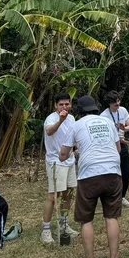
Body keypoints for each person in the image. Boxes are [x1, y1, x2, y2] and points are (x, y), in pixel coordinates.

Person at [62, 95, 122, 258]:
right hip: (113, 171)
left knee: (86, 219)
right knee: (111, 216)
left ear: (79, 111)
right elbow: (118, 148)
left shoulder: (76, 125)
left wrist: (72, 152)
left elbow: (64, 154)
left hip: (89, 174)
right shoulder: (107, 122)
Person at [40, 94, 80, 244]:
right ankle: (46, 230)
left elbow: (73, 137)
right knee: (53, 196)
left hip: (69, 161)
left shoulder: (72, 119)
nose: (65, 107)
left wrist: (74, 149)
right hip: (55, 162)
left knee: (68, 193)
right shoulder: (51, 119)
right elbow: (49, 131)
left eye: (67, 104)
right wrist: (60, 121)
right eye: (61, 105)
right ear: (55, 106)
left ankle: (64, 225)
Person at [100, 91, 129, 207]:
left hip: (123, 144)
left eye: (119, 101)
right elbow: (103, 135)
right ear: (110, 104)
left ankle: (122, 197)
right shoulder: (104, 116)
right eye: (115, 103)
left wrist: (124, 128)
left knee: (126, 173)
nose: (118, 104)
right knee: (112, 174)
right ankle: (111, 198)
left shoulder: (123, 111)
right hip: (110, 147)